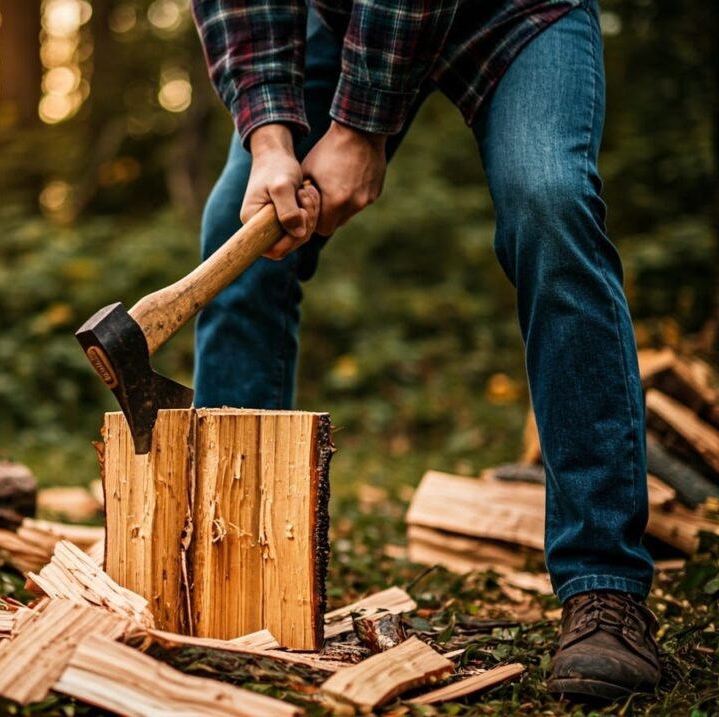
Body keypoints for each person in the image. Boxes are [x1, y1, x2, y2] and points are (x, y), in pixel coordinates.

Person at [191, 0, 661, 703]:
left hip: (517, 13)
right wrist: (268, 137)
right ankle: (230, 571)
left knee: (550, 201)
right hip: (345, 21)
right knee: (248, 225)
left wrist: (358, 126)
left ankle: (606, 589)